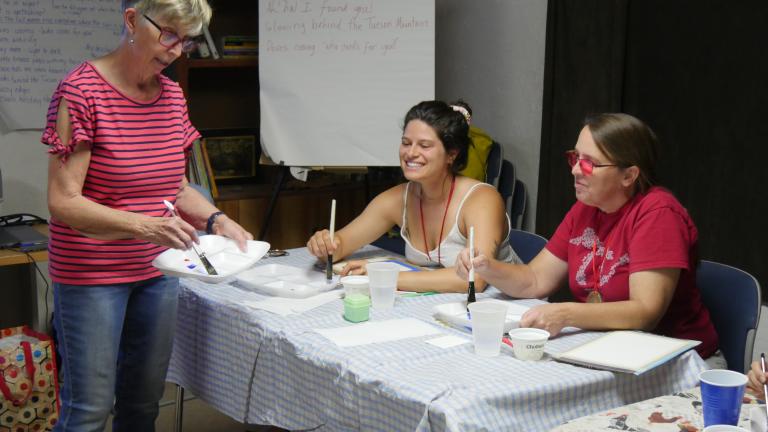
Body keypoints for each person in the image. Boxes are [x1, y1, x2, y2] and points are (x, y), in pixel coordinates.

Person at [43, 1, 252, 430]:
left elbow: (174, 187)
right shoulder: (82, 91)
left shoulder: (171, 95)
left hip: (158, 271)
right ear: (132, 19)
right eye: (169, 34)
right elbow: (64, 202)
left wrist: (216, 220)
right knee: (89, 409)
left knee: (142, 403)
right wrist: (146, 226)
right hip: (92, 274)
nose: (176, 50)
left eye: (186, 41)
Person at [456, 113, 718, 358]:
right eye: (575, 158)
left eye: (589, 163)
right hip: (606, 348)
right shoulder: (586, 208)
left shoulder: (658, 214)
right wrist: (486, 267)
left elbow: (644, 312)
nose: (575, 170)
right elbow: (534, 280)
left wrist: (567, 313)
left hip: (674, 359)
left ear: (629, 175)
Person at [306, 100, 520, 293]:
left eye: (424, 145)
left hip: (502, 312)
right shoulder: (397, 199)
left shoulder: (481, 200)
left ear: (452, 154)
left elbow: (476, 277)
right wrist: (325, 245)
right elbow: (341, 244)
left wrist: (384, 277)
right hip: (439, 306)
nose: (411, 153)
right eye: (406, 143)